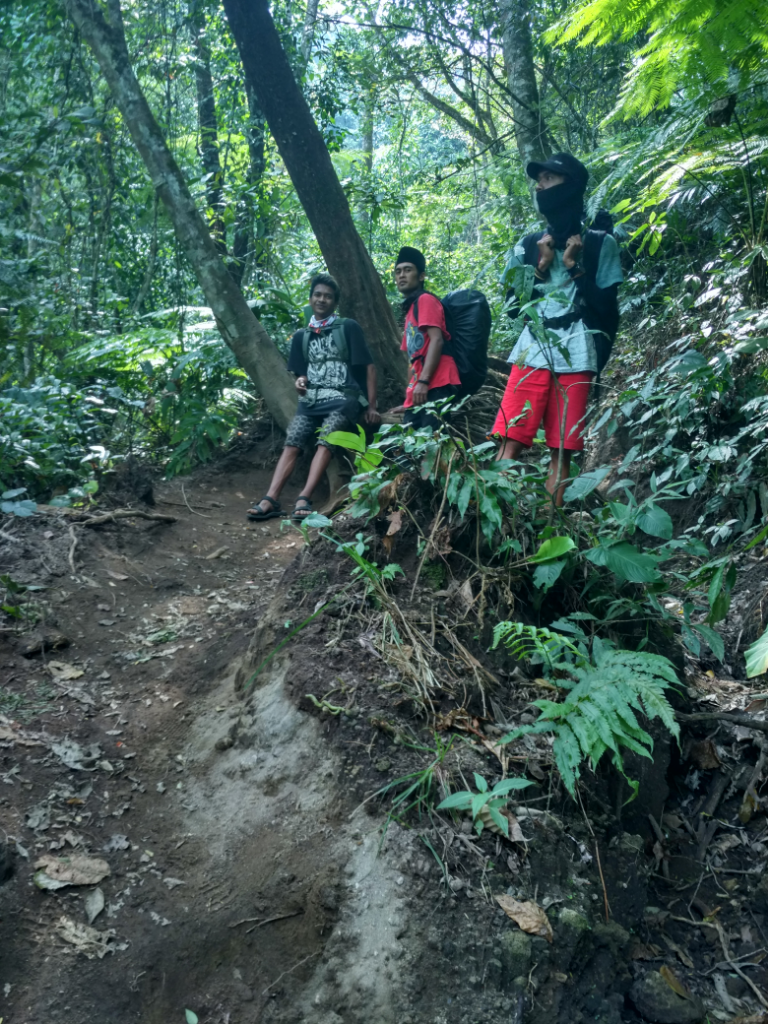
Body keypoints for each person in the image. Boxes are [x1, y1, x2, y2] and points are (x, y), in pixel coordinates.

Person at [490, 153, 622, 505]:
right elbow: (514, 308)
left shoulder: (600, 244)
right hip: (533, 347)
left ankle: (551, 530)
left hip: (579, 351)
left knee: (563, 449)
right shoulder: (528, 245)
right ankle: (499, 525)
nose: (540, 186)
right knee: (511, 437)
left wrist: (573, 267)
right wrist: (542, 267)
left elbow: (606, 308)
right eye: (539, 179)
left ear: (571, 185)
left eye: (549, 178)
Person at [247, 273, 379, 521]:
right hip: (311, 401)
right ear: (310, 299)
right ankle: (271, 498)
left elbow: (370, 368)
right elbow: (301, 374)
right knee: (293, 440)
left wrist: (372, 406)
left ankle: (304, 497)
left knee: (326, 439)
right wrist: (300, 380)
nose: (322, 299)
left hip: (344, 397)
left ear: (335, 303)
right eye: (317, 295)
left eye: (328, 296)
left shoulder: (348, 327)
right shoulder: (301, 336)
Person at [390, 246, 461, 430]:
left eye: (408, 270)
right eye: (398, 272)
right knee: (410, 446)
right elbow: (413, 361)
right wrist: (409, 400)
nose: (401, 275)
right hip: (422, 387)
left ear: (421, 276)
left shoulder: (426, 300)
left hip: (437, 383)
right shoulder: (411, 310)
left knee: (433, 446)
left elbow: (437, 340)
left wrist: (423, 381)